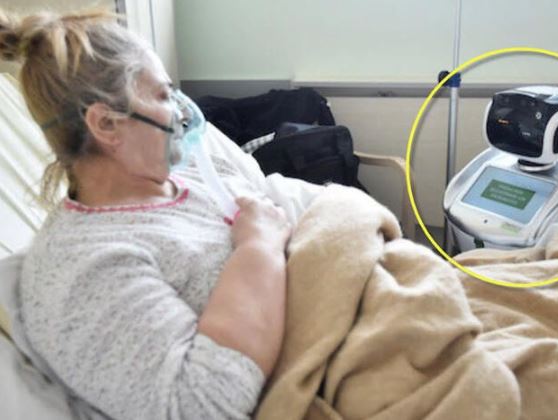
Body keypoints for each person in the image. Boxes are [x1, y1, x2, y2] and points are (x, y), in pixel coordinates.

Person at [0, 8, 323, 420]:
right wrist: (259, 248)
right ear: (107, 124)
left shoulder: (188, 175)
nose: (182, 111)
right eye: (163, 95)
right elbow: (199, 404)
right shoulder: (85, 267)